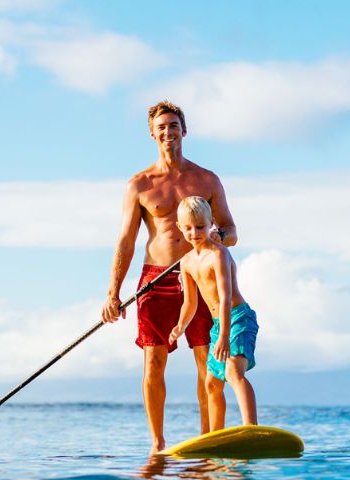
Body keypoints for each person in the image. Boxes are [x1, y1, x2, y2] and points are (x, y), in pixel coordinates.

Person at [101, 101, 238, 454]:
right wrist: (112, 293)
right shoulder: (139, 185)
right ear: (152, 133)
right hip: (155, 280)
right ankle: (158, 444)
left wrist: (215, 238)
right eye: (161, 127)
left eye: (173, 125)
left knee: (207, 360)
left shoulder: (207, 180)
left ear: (184, 131)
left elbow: (231, 230)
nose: (168, 132)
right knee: (154, 361)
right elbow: (126, 241)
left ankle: (209, 438)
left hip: (200, 275)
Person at [169, 196, 258, 431]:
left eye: (200, 226)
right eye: (188, 228)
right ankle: (216, 435)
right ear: (179, 227)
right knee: (211, 384)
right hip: (219, 324)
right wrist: (180, 326)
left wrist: (224, 336)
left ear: (211, 224)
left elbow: (226, 297)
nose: (194, 232)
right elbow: (190, 303)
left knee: (232, 372)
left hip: (237, 318)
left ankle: (250, 428)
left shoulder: (218, 254)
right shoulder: (186, 262)